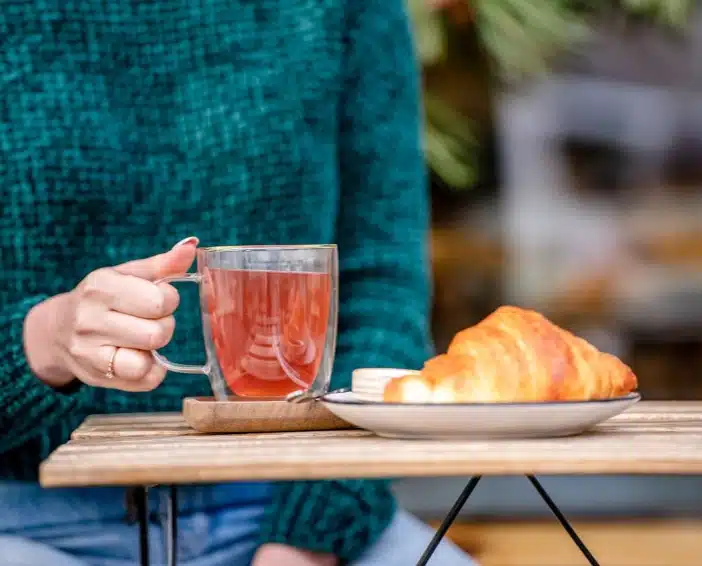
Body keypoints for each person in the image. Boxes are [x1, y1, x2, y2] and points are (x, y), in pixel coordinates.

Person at [0, 1, 477, 565]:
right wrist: (44, 340)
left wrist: (306, 538)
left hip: (291, 496)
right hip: (31, 518)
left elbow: (382, 289)